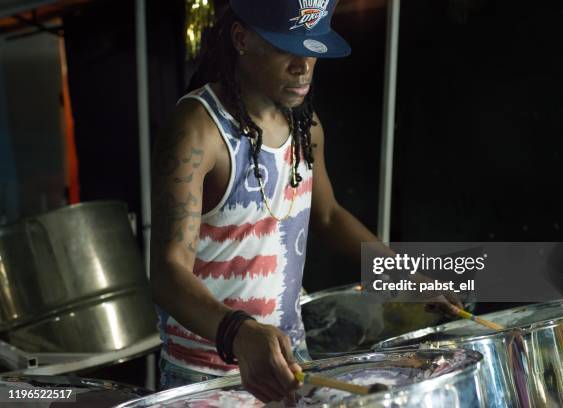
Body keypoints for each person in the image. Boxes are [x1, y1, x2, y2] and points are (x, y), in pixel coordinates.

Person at [150, 0, 461, 401]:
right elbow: (166, 273)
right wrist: (239, 332)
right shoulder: (197, 129)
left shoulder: (306, 127)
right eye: (286, 47)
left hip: (291, 361)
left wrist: (406, 278)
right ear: (241, 39)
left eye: (313, 50)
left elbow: (328, 216)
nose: (303, 66)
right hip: (207, 378)